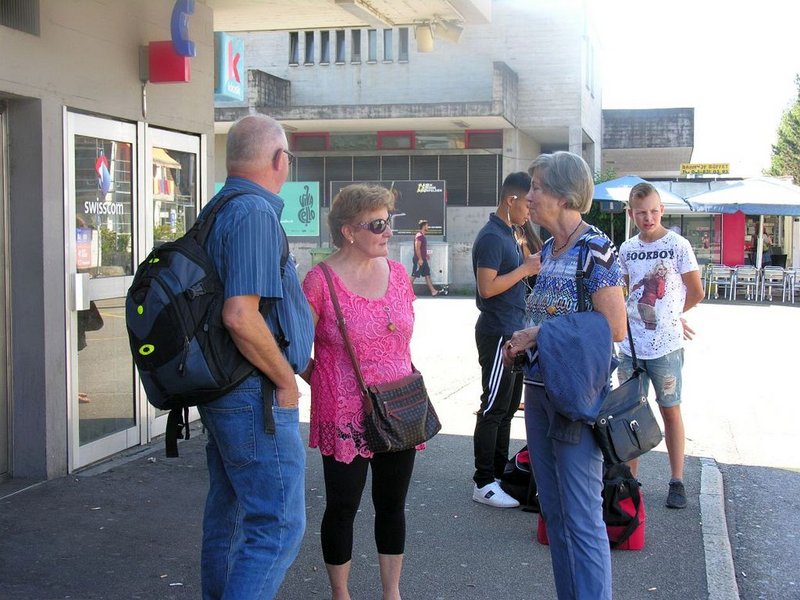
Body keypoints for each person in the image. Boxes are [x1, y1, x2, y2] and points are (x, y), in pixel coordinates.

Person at [196, 114, 314, 600]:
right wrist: (286, 380)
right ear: (280, 159)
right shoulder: (255, 213)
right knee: (277, 526)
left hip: (226, 388)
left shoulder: (217, 209)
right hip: (252, 394)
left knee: (229, 517)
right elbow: (240, 315)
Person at [505, 151, 627, 600]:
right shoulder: (549, 250)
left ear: (562, 194)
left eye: (537, 187)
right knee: (554, 516)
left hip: (575, 397)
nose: (529, 197)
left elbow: (615, 327)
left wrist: (539, 333)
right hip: (540, 392)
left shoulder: (594, 247)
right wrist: (523, 342)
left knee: (581, 517)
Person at [302, 184, 419, 600]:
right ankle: (341, 593)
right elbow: (291, 347)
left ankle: (392, 593)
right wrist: (321, 378)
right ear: (349, 231)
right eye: (377, 224)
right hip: (344, 413)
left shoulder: (399, 274)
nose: (388, 231)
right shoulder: (319, 281)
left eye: (389, 221)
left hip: (398, 407)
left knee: (392, 505)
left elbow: (400, 338)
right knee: (342, 507)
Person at [617, 182, 704, 509]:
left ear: (662, 210)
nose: (648, 218)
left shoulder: (678, 245)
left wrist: (673, 316)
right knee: (629, 412)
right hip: (631, 347)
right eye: (641, 213)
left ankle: (676, 480)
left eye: (654, 211)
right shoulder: (627, 249)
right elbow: (623, 292)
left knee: (670, 409)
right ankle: (629, 481)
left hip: (665, 347)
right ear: (631, 213)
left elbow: (696, 291)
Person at [471, 171, 540, 508]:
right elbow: (486, 288)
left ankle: (498, 474)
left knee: (508, 408)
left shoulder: (510, 232)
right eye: (527, 204)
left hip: (513, 330)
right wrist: (525, 269)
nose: (530, 210)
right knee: (493, 406)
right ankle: (483, 481)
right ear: (510, 200)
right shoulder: (491, 237)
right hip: (497, 330)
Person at [409, 219, 442, 296]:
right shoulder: (419, 236)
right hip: (419, 260)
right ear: (423, 226)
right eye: (427, 225)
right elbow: (417, 248)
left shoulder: (422, 236)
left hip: (423, 259)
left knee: (427, 275)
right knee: (414, 275)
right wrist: (420, 259)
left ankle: (433, 291)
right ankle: (405, 291)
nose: (428, 227)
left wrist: (425, 255)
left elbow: (421, 249)